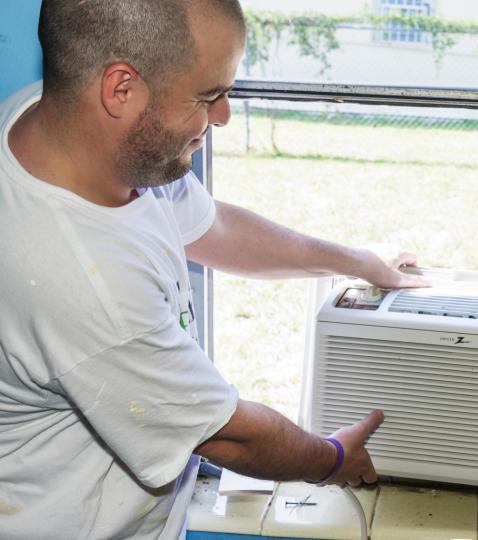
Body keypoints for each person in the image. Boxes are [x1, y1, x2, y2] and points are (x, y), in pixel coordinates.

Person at [0, 0, 425, 538]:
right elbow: (229, 436)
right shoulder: (80, 281)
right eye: (208, 96)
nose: (222, 115)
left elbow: (213, 229)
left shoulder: (58, 120)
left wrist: (355, 259)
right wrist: (333, 457)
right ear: (120, 89)